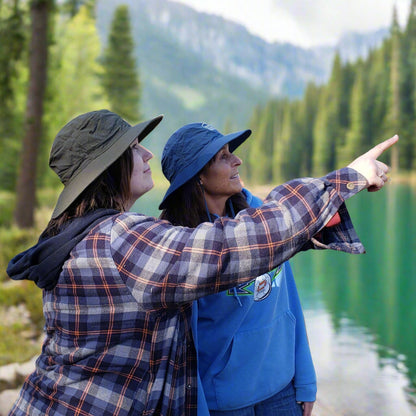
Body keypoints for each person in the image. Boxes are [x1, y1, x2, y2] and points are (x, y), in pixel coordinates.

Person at [6, 109, 396, 416]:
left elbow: (249, 247)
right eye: (133, 149)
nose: (146, 154)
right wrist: (345, 180)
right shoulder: (119, 238)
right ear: (109, 169)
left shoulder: (91, 237)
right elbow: (227, 249)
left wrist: (316, 220)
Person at [158, 123, 318, 416]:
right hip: (224, 403)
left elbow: (290, 299)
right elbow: (184, 346)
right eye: (222, 157)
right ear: (198, 178)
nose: (237, 160)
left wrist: (305, 378)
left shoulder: (261, 218)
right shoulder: (183, 245)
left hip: (283, 390)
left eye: (231, 153)